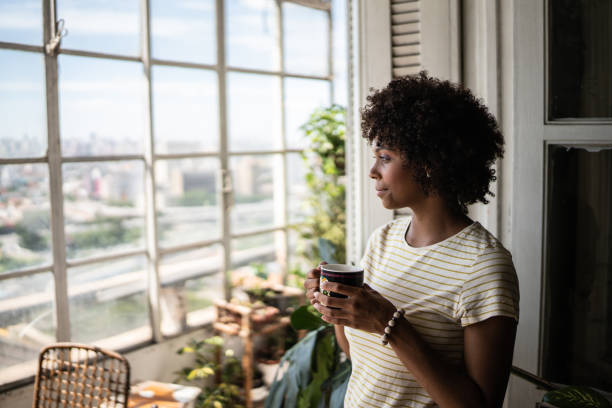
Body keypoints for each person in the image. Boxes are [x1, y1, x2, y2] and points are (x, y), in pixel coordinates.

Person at [304, 72, 519, 408]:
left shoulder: (484, 267)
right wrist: (336, 307)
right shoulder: (383, 240)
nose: (373, 171)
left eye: (385, 157)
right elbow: (362, 359)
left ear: (429, 163)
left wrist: (390, 324)